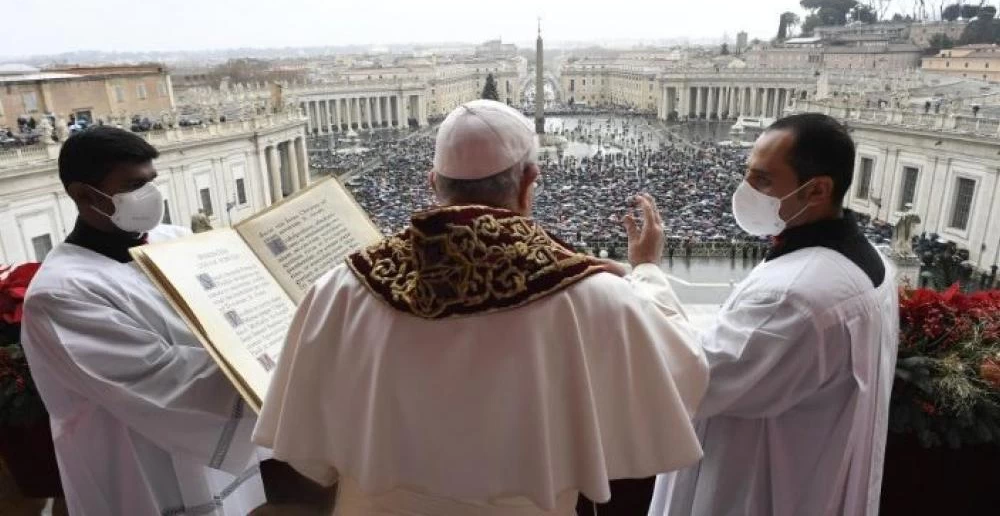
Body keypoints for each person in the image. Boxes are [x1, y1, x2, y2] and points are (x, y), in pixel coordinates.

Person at [253, 100, 709, 515]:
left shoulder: (341, 288)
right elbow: (684, 371)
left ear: (433, 185)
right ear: (530, 183)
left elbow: (309, 456)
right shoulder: (593, 295)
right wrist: (645, 270)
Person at [649, 113, 899, 516]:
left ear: (816, 190)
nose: (745, 189)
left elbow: (690, 377)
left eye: (762, 180)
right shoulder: (874, 264)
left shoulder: (793, 296)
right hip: (812, 473)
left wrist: (647, 274)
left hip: (755, 488)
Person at [21, 126, 267, 515]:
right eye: (134, 186)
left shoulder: (174, 240)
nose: (150, 197)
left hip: (206, 445)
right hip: (135, 462)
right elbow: (166, 379)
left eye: (151, 182)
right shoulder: (60, 293)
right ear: (84, 195)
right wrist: (281, 365)